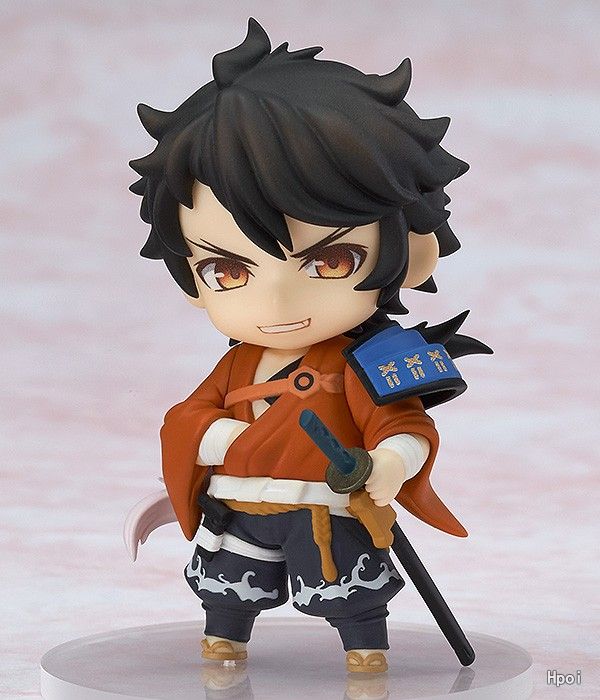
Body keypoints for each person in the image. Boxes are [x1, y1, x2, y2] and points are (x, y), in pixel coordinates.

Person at [127, 18, 485, 674]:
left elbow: (403, 426)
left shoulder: (371, 358)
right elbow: (187, 418)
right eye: (227, 270)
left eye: (330, 261)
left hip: (326, 508)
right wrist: (224, 440)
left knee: (351, 595)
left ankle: (365, 654)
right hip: (240, 504)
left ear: (413, 253)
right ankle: (225, 640)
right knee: (228, 588)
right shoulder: (238, 363)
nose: (277, 303)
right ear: (191, 281)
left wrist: (388, 464)